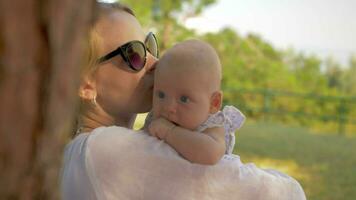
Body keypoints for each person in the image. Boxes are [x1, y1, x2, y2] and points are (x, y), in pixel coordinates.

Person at [61, 2, 306, 200]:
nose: (154, 62)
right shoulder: (103, 151)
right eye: (134, 54)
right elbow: (288, 194)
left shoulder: (72, 153)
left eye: (150, 46)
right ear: (84, 84)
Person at [146, 39, 245, 165]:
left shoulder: (212, 127)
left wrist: (169, 132)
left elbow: (210, 155)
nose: (169, 107)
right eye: (161, 95)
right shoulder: (155, 119)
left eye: (184, 99)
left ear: (213, 103)